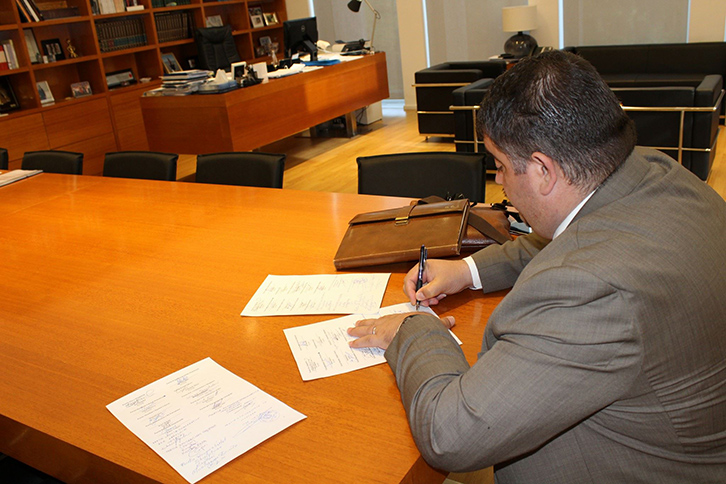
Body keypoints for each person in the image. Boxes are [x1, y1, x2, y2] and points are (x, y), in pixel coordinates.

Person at [347, 50, 726, 483]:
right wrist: (467, 271)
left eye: (501, 167)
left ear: (544, 170)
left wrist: (411, 329)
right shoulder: (652, 172)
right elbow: (573, 234)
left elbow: (449, 435)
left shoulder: (591, 289)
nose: (499, 182)